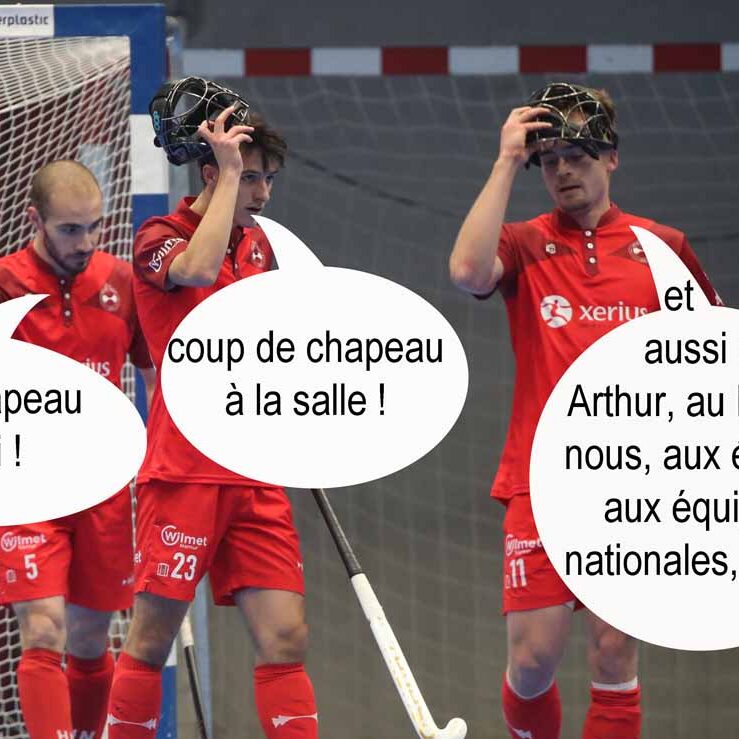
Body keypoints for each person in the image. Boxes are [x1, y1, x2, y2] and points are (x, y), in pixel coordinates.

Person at [449, 82, 721, 739]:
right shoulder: (524, 242)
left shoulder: (664, 247)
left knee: (613, 652)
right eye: (549, 161)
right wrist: (506, 160)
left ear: (611, 158)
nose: (562, 171)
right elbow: (466, 271)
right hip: (538, 477)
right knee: (532, 662)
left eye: (577, 156)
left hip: (631, 481)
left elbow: (711, 358)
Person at [106, 78, 318, 738]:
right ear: (213, 172)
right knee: (151, 637)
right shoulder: (158, 236)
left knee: (285, 636)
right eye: (251, 178)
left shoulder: (259, 248)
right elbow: (196, 271)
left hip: (253, 469)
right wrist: (228, 176)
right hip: (185, 471)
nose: (263, 194)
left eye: (266, 179)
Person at [0, 159, 155, 739]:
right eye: (70, 229)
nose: (86, 242)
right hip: (27, 486)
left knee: (91, 642)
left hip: (103, 491)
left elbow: (156, 379)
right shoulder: (5, 283)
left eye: (95, 226)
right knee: (44, 629)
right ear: (34, 220)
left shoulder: (123, 283)